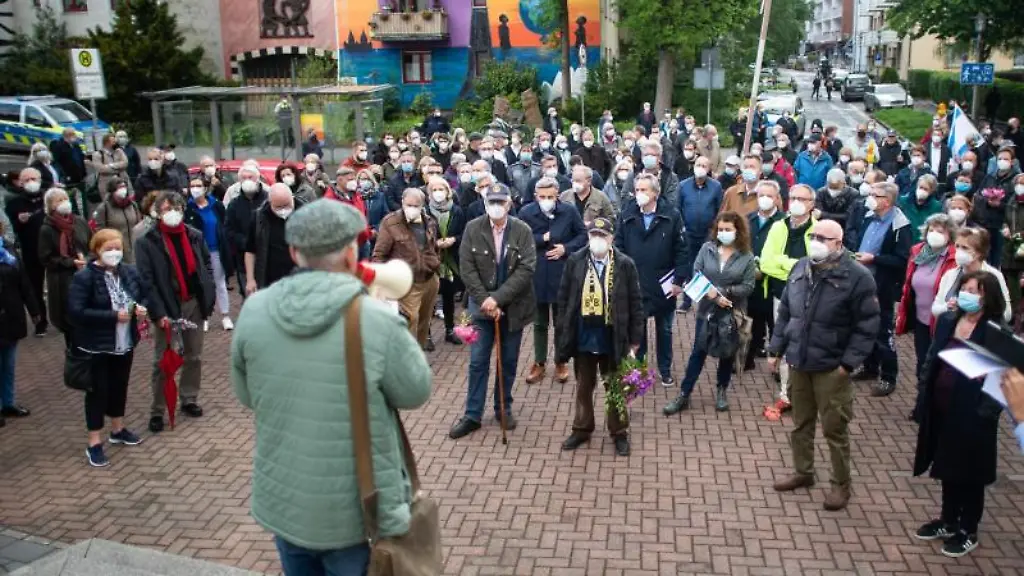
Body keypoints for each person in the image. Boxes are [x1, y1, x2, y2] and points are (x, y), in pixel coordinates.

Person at [231, 199, 432, 576]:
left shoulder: (255, 311)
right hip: (353, 514)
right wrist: (389, 318)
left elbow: (246, 395)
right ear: (353, 251)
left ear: (293, 251)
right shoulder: (373, 319)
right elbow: (416, 390)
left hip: (285, 503)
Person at [769, 219, 879, 512]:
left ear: (839, 244)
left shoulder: (857, 277)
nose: (816, 241)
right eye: (814, 236)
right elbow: (787, 314)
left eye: (824, 238)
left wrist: (848, 364)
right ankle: (803, 472)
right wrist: (776, 347)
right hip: (800, 361)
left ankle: (840, 485)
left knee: (835, 430)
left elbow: (867, 326)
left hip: (832, 366)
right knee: (801, 423)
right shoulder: (800, 268)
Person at [913, 271, 1005, 558]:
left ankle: (968, 529)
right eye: (964, 288)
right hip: (942, 407)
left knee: (970, 472)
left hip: (973, 414)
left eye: (974, 290)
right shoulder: (949, 320)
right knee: (946, 465)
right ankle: (948, 519)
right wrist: (924, 391)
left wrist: (984, 413)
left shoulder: (995, 331)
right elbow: (932, 357)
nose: (967, 294)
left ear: (987, 297)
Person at [448, 186, 536, 439]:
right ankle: (472, 414)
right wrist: (485, 300)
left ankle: (503, 407)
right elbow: (467, 267)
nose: (496, 206)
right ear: (485, 203)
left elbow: (526, 269)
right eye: (491, 202)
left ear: (509, 204)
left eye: (501, 202)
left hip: (514, 306)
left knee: (507, 361)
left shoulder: (522, 230)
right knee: (477, 362)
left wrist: (497, 298)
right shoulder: (473, 228)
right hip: (480, 306)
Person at [555, 216, 643, 456]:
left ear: (611, 238)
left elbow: (636, 303)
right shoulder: (575, 261)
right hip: (583, 336)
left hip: (612, 337)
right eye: (593, 235)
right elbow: (563, 300)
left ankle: (619, 432)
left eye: (602, 236)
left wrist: (636, 339)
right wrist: (562, 333)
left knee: (615, 386)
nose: (597, 240)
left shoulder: (625, 264)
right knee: (584, 386)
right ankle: (582, 429)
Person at [67, 228, 147, 467]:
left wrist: (141, 308)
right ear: (97, 250)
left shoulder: (128, 272)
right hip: (97, 345)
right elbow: (76, 311)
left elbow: (142, 294)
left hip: (124, 342)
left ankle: (118, 428)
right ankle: (94, 442)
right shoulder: (85, 277)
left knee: (119, 386)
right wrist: (112, 316)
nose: (114, 253)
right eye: (108, 249)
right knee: (97, 391)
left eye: (118, 248)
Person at [136, 191, 215, 433]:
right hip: (167, 306)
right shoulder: (147, 242)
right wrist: (158, 313)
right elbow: (147, 282)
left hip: (193, 303)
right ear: (157, 213)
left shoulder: (194, 235)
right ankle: (158, 410)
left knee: (194, 356)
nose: (172, 213)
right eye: (166, 208)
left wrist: (207, 297)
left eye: (176, 208)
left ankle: (189, 398)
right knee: (165, 361)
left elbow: (206, 266)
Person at [665, 211, 756, 414]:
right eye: (720, 229)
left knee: (727, 353)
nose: (723, 233)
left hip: (732, 313)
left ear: (737, 231)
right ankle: (684, 394)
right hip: (706, 312)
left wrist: (725, 292)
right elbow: (696, 274)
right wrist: (713, 296)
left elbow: (748, 286)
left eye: (728, 230)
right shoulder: (707, 249)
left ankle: (722, 390)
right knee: (698, 352)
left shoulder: (746, 256)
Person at [615, 174, 686, 386]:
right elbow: (618, 244)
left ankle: (665, 370)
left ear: (655, 193)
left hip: (663, 283)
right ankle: (640, 370)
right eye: (637, 190)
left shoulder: (671, 216)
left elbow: (682, 250)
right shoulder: (627, 214)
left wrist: (678, 280)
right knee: (639, 330)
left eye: (645, 190)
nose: (640, 195)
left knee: (664, 330)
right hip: (636, 283)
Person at [520, 177, 587, 384]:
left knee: (561, 322)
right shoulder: (526, 213)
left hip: (562, 274)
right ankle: (539, 362)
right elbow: (520, 239)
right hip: (537, 274)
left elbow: (583, 235)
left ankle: (561, 360)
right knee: (539, 323)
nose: (546, 200)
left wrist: (565, 248)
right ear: (535, 196)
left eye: (550, 196)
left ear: (557, 195)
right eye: (542, 197)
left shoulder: (569, 211)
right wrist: (543, 239)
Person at [760, 183, 817, 409]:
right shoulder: (778, 227)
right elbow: (766, 263)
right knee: (783, 341)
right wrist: (796, 266)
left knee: (808, 344)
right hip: (780, 295)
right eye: (792, 197)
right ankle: (786, 394)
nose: (796, 202)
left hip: (810, 297)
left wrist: (783, 262)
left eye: (802, 199)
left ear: (811, 204)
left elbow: (816, 266)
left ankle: (806, 392)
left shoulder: (819, 230)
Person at [850, 182, 911, 397]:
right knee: (864, 326)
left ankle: (888, 376)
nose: (870, 197)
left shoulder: (899, 225)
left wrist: (874, 258)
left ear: (887, 200)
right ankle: (869, 366)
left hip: (882, 285)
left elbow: (902, 259)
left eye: (875, 195)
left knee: (883, 331)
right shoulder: (868, 217)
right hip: (862, 282)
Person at [372, 188, 441, 351]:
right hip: (406, 282)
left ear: (422, 205)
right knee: (410, 321)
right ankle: (407, 361)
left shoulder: (429, 221)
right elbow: (379, 254)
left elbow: (433, 247)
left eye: (416, 205)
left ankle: (419, 356)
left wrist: (436, 263)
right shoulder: (391, 223)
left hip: (429, 278)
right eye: (409, 204)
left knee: (425, 322)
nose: (412, 208)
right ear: (402, 202)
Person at [38, 187, 91, 349]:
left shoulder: (79, 222)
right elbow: (46, 258)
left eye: (65, 198)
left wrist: (88, 258)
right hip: (63, 280)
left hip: (86, 274)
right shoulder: (47, 229)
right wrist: (70, 262)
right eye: (58, 200)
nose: (64, 202)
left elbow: (93, 243)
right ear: (51, 206)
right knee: (71, 322)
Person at [0, 219, 41, 427]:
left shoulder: (7, 249)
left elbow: (23, 281)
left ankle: (7, 403)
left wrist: (33, 310)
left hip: (12, 316)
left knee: (8, 364)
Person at [930, 227, 1012, 325]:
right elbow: (935, 309)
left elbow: (1007, 314)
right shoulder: (950, 275)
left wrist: (979, 309)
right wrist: (947, 307)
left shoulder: (994, 276)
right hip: (950, 333)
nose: (959, 251)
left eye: (964, 248)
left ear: (979, 253)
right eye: (957, 246)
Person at [184, 177, 233, 332]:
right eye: (192, 186)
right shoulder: (188, 208)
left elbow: (225, 225)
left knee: (220, 283)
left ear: (205, 188)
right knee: (203, 284)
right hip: (198, 253)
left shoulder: (216, 205)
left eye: (198, 185)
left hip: (216, 250)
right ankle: (205, 316)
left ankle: (225, 315)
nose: (195, 189)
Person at [746, 180, 785, 370]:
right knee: (752, 321)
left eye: (769, 196)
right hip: (751, 281)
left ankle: (778, 363)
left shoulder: (784, 222)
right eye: (761, 195)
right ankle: (749, 356)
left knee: (776, 323)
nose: (765, 199)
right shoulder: (748, 219)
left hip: (775, 282)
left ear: (777, 199)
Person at [5, 169, 48, 337]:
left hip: (51, 248)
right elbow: (9, 228)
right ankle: (40, 321)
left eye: (34, 178)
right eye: (27, 179)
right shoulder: (15, 203)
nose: (31, 182)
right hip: (31, 250)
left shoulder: (47, 198)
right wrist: (19, 221)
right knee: (34, 287)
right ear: (21, 183)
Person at [678, 156, 724, 310]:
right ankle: (686, 301)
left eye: (704, 165)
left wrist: (714, 231)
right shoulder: (683, 186)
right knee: (689, 267)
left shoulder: (716, 187)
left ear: (709, 168)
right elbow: (677, 209)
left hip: (708, 234)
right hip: (688, 234)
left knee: (708, 268)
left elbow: (720, 211)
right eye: (698, 164)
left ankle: (708, 301)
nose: (701, 167)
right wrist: (682, 229)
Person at [424, 177, 466, 344]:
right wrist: (434, 243)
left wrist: (454, 239)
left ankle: (450, 330)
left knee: (449, 296)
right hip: (430, 261)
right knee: (428, 299)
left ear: (448, 191)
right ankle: (426, 335)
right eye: (434, 190)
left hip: (450, 261)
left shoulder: (456, 211)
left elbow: (464, 232)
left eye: (441, 189)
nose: (438, 193)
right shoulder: (425, 212)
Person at [245, 183, 298, 295]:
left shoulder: (307, 213)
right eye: (278, 207)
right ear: (270, 203)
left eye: (287, 205)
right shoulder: (258, 218)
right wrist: (250, 279)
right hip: (271, 280)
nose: (283, 210)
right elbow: (250, 251)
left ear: (292, 198)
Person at [225, 166, 269, 294]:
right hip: (243, 259)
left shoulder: (268, 199)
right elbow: (228, 230)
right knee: (249, 296)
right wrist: (245, 242)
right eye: (243, 178)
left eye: (250, 177)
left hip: (267, 259)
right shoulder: (234, 204)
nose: (247, 180)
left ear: (258, 178)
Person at [93, 177, 143, 264]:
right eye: (119, 187)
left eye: (124, 186)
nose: (123, 189)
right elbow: (100, 231)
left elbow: (139, 224)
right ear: (112, 190)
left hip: (135, 248)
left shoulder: (133, 205)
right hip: (116, 250)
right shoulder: (104, 208)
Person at [897, 174, 943, 243]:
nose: (922, 191)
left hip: (922, 243)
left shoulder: (936, 206)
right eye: (920, 187)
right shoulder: (903, 201)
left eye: (926, 189)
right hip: (903, 241)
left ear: (932, 191)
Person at [90, 133, 130, 202]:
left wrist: (110, 165)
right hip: (106, 185)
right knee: (109, 204)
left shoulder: (119, 151)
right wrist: (118, 169)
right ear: (107, 143)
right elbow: (101, 169)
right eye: (113, 141)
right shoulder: (97, 154)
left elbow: (125, 163)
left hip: (122, 182)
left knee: (125, 202)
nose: (115, 143)